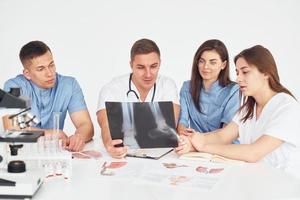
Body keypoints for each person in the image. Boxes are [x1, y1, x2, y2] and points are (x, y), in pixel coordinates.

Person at [176, 45, 300, 175]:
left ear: (266, 73)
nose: (238, 78)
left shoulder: (286, 107)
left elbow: (254, 153)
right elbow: (222, 136)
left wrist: (203, 147)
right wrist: (194, 140)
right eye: (237, 72)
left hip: (284, 186)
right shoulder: (249, 107)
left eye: (245, 72)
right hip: (255, 180)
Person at [4, 41, 94, 151]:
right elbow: (11, 129)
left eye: (51, 65)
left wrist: (79, 137)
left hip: (54, 155)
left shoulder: (69, 85)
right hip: (22, 153)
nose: (50, 73)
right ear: (27, 74)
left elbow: (85, 124)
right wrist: (51, 134)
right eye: (41, 69)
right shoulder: (14, 86)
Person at [97, 38, 180, 158]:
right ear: (131, 65)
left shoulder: (167, 85)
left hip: (160, 156)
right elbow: (105, 124)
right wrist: (110, 144)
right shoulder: (112, 88)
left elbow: (170, 124)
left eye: (153, 66)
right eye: (141, 67)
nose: (148, 74)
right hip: (121, 156)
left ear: (160, 63)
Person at [178, 39, 240, 139]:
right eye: (202, 61)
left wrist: (198, 138)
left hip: (224, 149)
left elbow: (226, 134)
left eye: (213, 62)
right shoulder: (187, 87)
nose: (205, 67)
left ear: (223, 65)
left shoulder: (234, 91)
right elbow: (182, 121)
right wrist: (184, 133)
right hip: (197, 148)